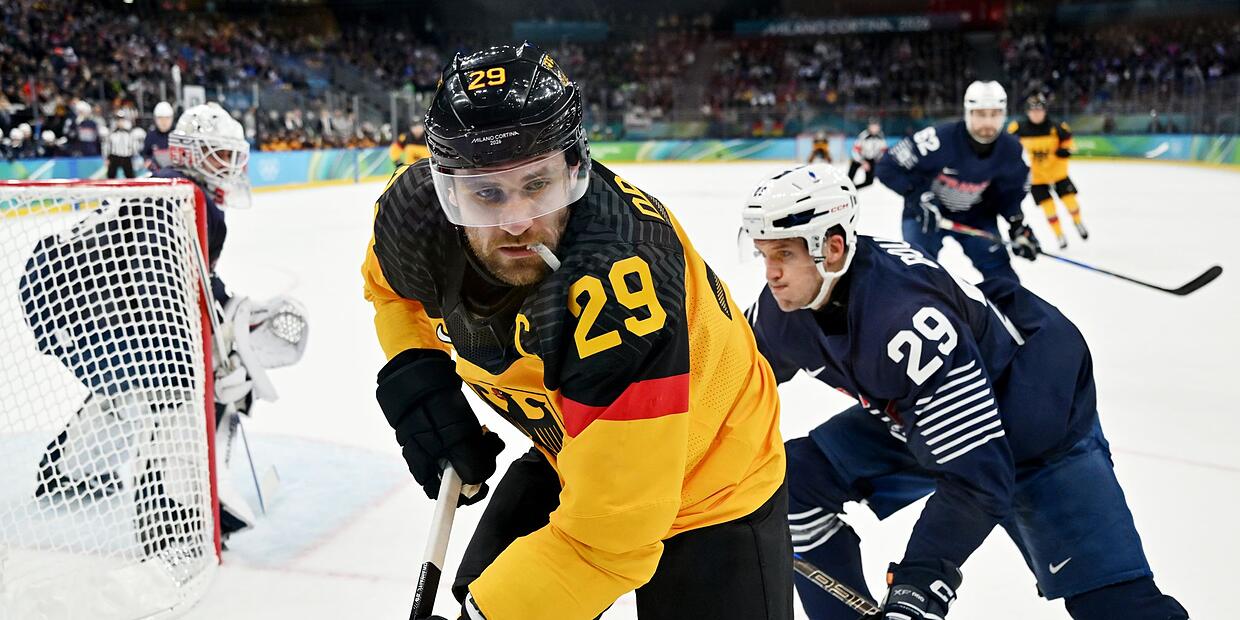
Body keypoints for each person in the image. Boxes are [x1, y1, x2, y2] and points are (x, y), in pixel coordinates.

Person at [361, 42, 790, 620]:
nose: (517, 222)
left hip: (715, 477)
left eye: (536, 184)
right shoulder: (415, 220)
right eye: (487, 192)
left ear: (572, 168)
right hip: (583, 448)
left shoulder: (618, 288)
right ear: (446, 190)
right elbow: (391, 292)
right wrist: (424, 383)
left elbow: (609, 542)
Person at [740, 163, 1188, 619]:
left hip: (1034, 428)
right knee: (793, 485)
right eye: (764, 255)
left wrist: (919, 583)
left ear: (832, 249)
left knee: (1113, 604)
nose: (771, 274)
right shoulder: (786, 306)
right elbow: (731, 377)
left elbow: (978, 476)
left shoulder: (905, 323)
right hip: (922, 412)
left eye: (784, 254)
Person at [27, 101, 307, 546]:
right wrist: (215, 338)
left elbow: (184, 276)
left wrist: (221, 306)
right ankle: (175, 510)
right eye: (221, 154)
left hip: (60, 299)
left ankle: (74, 469)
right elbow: (169, 285)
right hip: (77, 305)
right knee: (183, 383)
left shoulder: (171, 187)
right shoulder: (190, 200)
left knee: (132, 381)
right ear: (193, 153)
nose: (231, 165)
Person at [876, 81, 1039, 282]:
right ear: (968, 113)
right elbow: (887, 165)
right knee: (917, 276)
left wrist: (1017, 226)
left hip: (975, 216)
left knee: (1003, 276)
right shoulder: (938, 138)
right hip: (927, 214)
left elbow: (1009, 193)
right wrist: (917, 195)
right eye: (980, 114)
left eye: (995, 114)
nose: (988, 122)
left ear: (1004, 114)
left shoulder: (1011, 149)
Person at [1008, 94, 1088, 249]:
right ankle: (1059, 235)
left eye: (1039, 110)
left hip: (1058, 173)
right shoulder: (1018, 128)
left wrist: (1065, 150)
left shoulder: (1057, 127)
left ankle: (1078, 222)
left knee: (1070, 202)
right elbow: (1008, 145)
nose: (1036, 114)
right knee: (1048, 207)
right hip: (1036, 177)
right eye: (1033, 111)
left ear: (1045, 111)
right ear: (1027, 112)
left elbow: (1069, 143)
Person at [847, 118, 887, 189]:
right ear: (869, 126)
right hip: (859, 158)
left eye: (876, 126)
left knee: (869, 181)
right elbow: (855, 151)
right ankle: (845, 189)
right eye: (873, 126)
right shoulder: (863, 135)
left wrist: (878, 160)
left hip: (872, 160)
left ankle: (854, 189)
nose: (875, 128)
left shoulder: (881, 136)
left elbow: (883, 151)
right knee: (849, 179)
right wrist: (862, 162)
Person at [141, 101, 176, 172]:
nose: (164, 122)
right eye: (160, 118)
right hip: (156, 173)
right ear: (155, 119)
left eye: (167, 118)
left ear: (172, 118)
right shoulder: (151, 135)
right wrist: (148, 162)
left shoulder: (177, 135)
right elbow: (145, 154)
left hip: (174, 172)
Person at [105, 110, 137, 179]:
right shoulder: (112, 133)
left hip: (126, 156)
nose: (120, 122)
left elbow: (133, 145)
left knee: (130, 175)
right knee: (111, 175)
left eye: (122, 120)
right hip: (114, 156)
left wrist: (134, 155)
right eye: (118, 120)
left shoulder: (130, 133)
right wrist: (107, 158)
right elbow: (108, 146)